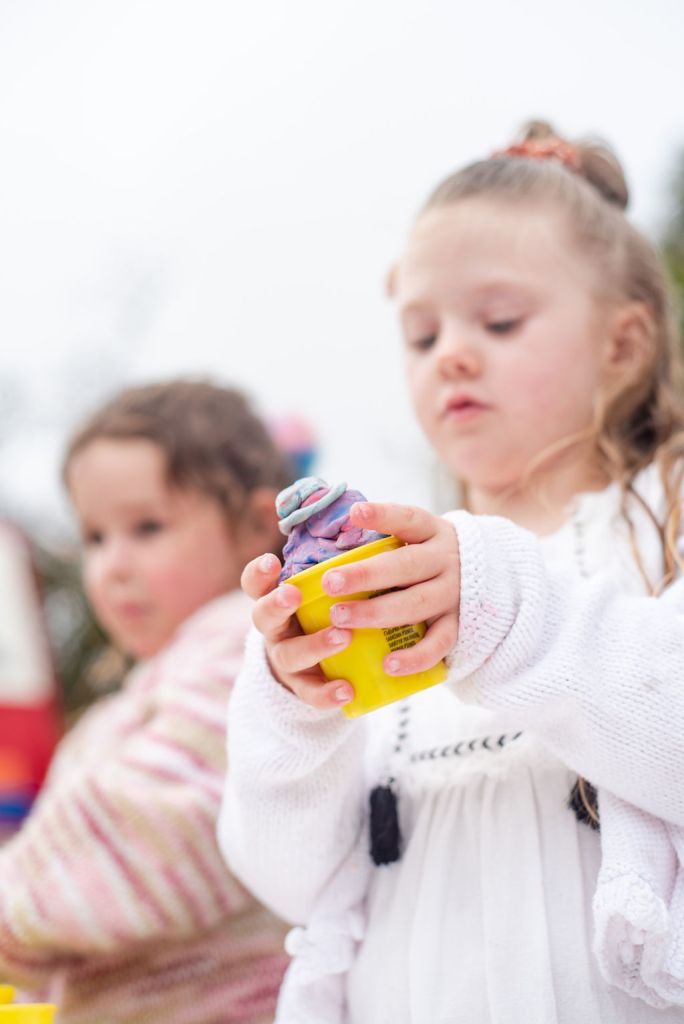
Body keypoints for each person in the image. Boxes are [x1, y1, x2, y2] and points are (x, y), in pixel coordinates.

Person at [219, 121, 684, 1023]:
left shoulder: (663, 517)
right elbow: (289, 882)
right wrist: (296, 709)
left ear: (624, 344)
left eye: (499, 321)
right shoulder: (385, 573)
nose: (452, 356)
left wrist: (506, 609)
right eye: (421, 335)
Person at [0, 380, 293, 1024]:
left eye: (147, 528)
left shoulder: (250, 649)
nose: (114, 566)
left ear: (255, 526)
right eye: (95, 538)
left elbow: (152, 831)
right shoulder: (138, 697)